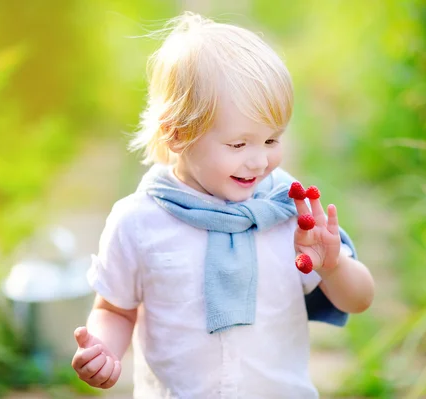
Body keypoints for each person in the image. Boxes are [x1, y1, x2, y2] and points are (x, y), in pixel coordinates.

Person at [71, 11, 374, 398]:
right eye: (238, 144)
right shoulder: (139, 221)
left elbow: (360, 300)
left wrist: (334, 266)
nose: (259, 161)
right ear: (178, 134)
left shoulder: (288, 212)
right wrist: (104, 350)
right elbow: (114, 308)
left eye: (271, 140)